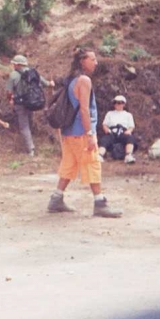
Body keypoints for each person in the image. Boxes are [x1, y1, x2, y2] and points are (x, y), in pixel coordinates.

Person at [47, 49, 122, 217]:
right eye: (92, 59)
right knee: (92, 163)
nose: (96, 63)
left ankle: (56, 199)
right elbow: (84, 109)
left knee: (70, 164)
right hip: (81, 132)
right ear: (82, 61)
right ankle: (99, 203)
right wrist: (90, 134)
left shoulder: (71, 80)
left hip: (69, 132)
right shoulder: (84, 80)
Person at [5, 54, 53, 157]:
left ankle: (31, 149)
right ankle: (33, 143)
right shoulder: (33, 72)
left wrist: (10, 100)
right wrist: (51, 83)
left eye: (14, 64)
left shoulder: (13, 75)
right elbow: (46, 83)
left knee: (24, 126)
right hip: (33, 103)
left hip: (20, 104)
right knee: (28, 123)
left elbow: (9, 91)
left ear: (17, 65)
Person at [100, 95, 138, 164]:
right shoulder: (109, 114)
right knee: (104, 140)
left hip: (123, 132)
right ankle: (100, 155)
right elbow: (104, 124)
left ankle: (128, 155)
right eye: (116, 102)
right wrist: (107, 130)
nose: (118, 104)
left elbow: (131, 126)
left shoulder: (128, 115)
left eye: (120, 103)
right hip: (112, 132)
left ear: (124, 104)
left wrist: (128, 131)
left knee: (130, 138)